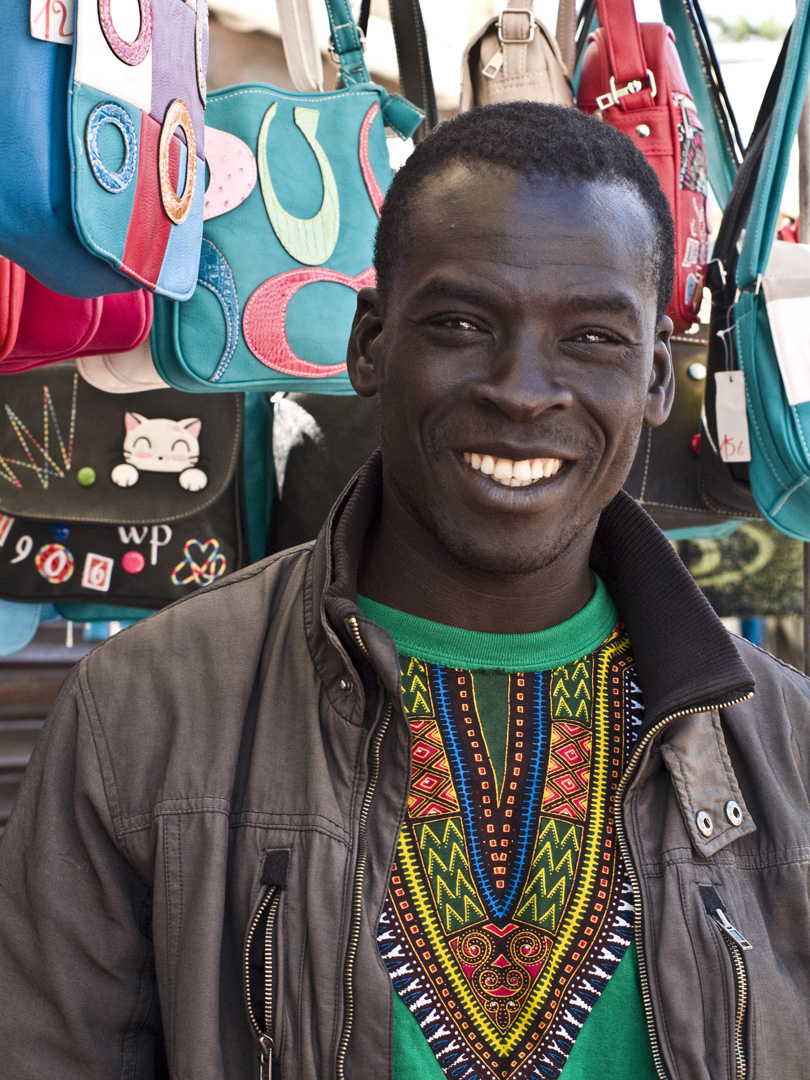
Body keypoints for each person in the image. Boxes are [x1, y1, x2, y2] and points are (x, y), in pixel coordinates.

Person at [0, 102, 808, 1080]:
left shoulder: (783, 746)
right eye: (463, 323)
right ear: (372, 343)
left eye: (592, 338)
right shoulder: (146, 710)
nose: (522, 389)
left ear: (652, 378)